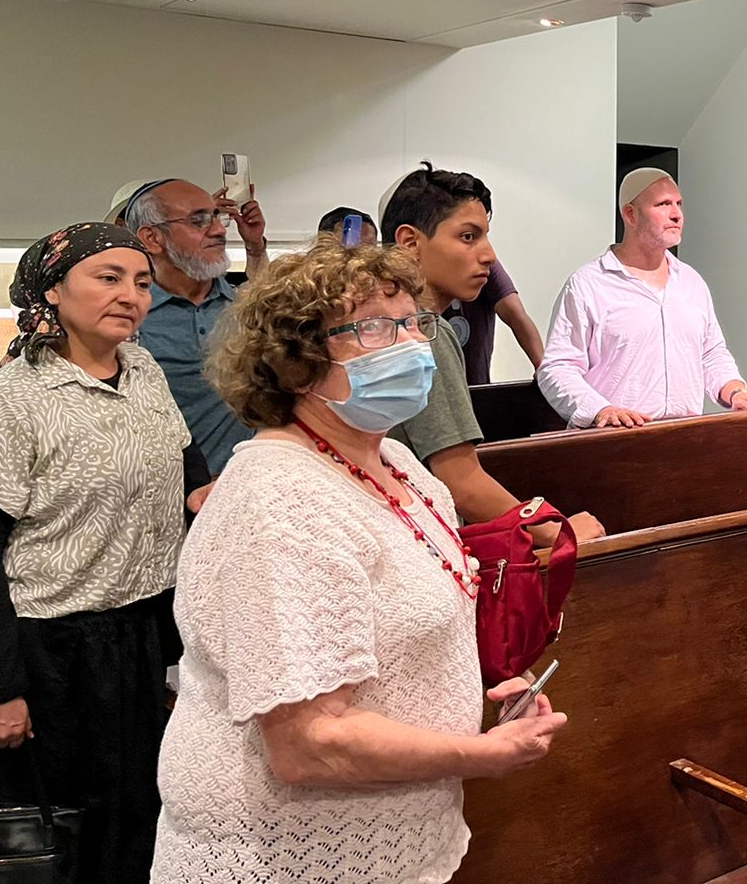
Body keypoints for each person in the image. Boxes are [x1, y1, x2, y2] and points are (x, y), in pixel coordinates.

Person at [151, 238, 564, 883]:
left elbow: (406, 626)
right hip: (286, 859)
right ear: (296, 363)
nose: (411, 344)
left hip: (400, 845)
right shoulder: (281, 500)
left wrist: (483, 693)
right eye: (374, 327)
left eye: (413, 321)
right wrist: (480, 754)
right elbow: (307, 744)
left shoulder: (396, 463)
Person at [0, 223, 201, 883]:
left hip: (136, 637)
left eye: (142, 282)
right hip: (50, 649)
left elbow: (186, 464)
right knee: (63, 839)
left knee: (137, 822)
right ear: (52, 289)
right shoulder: (12, 401)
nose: (131, 295)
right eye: (109, 278)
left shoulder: (144, 370)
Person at [380, 163, 603, 539]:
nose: (489, 255)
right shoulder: (425, 333)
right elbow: (462, 483)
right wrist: (556, 533)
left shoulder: (375, 325)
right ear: (410, 242)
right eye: (468, 237)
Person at [538, 168, 747, 428]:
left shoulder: (691, 282)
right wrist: (601, 410)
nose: (677, 214)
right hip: (613, 441)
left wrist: (736, 392)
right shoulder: (588, 285)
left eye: (679, 204)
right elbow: (557, 368)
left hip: (685, 438)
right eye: (663, 204)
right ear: (630, 214)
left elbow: (711, 354)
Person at [125, 178, 268, 475]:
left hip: (252, 483)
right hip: (168, 495)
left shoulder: (243, 307)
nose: (219, 230)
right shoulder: (127, 322)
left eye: (217, 216)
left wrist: (255, 247)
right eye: (198, 220)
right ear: (152, 238)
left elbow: (271, 300)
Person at [447, 261, 545, 384]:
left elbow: (516, 315)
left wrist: (543, 367)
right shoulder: (425, 266)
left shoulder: (483, 263)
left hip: (475, 387)